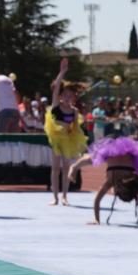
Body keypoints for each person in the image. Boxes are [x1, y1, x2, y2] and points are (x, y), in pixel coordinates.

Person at [68, 136, 138, 226]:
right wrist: (97, 219)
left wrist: (97, 219)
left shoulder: (131, 182)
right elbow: (97, 200)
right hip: (113, 148)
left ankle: (74, 166)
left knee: (92, 159)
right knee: (92, 159)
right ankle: (74, 166)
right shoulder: (111, 181)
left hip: (122, 149)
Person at [44, 58, 87, 206]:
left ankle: (65, 196)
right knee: (55, 168)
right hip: (56, 140)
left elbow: (77, 130)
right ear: (61, 97)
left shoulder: (74, 111)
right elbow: (56, 88)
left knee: (66, 167)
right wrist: (62, 72)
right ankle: (55, 197)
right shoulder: (56, 106)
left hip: (68, 140)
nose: (68, 98)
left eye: (70, 96)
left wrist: (76, 141)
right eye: (65, 95)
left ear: (74, 98)